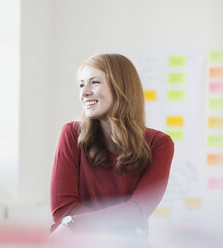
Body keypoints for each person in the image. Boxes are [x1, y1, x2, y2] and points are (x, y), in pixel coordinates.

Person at [49, 54, 174, 239]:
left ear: (120, 88)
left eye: (95, 82)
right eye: (82, 84)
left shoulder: (159, 144)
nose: (84, 93)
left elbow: (138, 211)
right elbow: (62, 210)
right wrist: (122, 223)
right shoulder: (71, 133)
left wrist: (74, 222)